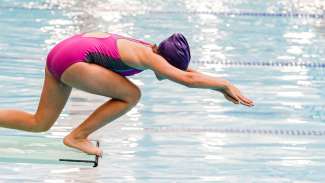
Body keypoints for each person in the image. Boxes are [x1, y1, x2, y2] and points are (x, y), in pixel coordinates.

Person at [0, 32, 254, 156]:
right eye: (168, 69)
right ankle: (77, 136)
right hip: (73, 60)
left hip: (60, 53)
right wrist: (223, 84)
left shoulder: (150, 50)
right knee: (132, 95)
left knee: (39, 123)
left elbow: (187, 72)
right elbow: (187, 79)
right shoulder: (149, 57)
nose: (167, 75)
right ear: (164, 60)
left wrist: (217, 85)